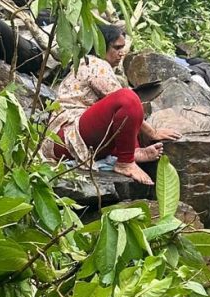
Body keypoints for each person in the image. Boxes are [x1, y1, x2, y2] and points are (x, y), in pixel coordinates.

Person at [41, 24, 180, 185]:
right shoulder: (94, 64)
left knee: (127, 105)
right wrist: (153, 133)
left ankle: (130, 154)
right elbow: (126, 103)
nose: (122, 53)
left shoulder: (90, 64)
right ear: (101, 46)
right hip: (66, 138)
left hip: (71, 141)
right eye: (116, 48)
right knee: (128, 98)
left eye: (123, 48)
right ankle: (125, 162)